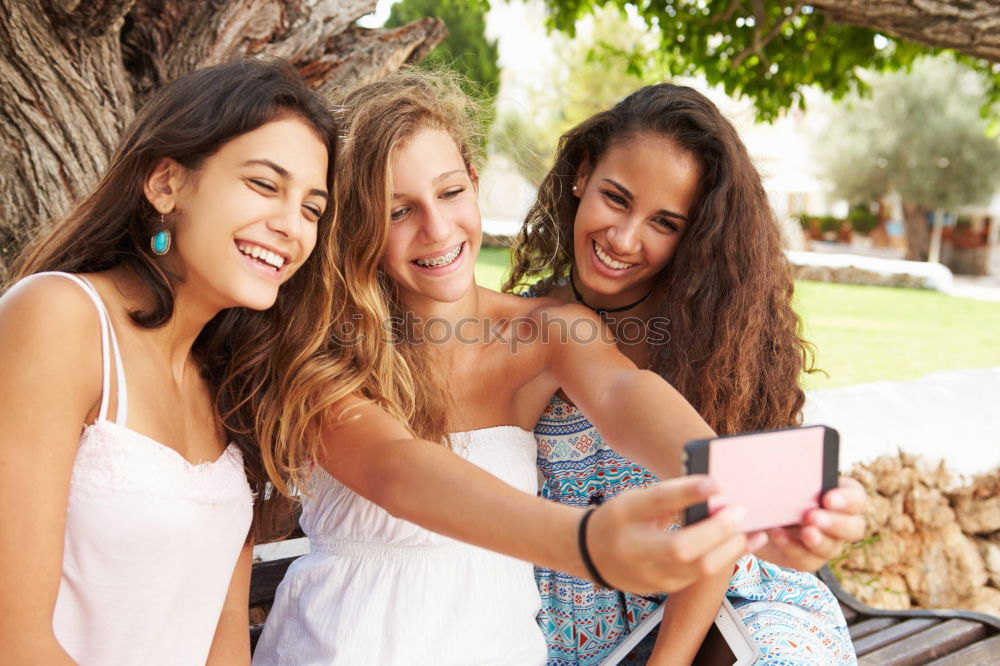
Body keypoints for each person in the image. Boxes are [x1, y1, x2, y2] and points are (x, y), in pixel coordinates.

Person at [250, 70, 767, 665]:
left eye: (449, 193)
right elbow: (400, 472)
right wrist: (588, 544)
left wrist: (747, 483)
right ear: (355, 221)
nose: (438, 229)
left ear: (474, 182)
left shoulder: (549, 330)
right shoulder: (324, 352)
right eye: (399, 211)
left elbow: (625, 394)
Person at [504, 83, 865, 664]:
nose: (624, 239)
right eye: (616, 199)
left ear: (693, 233)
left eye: (664, 222)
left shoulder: (714, 342)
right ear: (582, 174)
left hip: (718, 608)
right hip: (570, 628)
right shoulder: (519, 325)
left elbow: (725, 533)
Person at [0, 60, 337, 665]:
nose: (292, 226)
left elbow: (223, 639)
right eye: (264, 184)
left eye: (312, 208)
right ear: (165, 184)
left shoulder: (232, 384)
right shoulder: (59, 318)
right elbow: (12, 638)